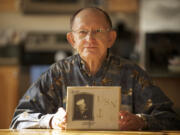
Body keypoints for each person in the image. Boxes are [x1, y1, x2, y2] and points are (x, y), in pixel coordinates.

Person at [10, 7, 180, 130]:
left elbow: (171, 118)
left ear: (111, 38)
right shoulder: (56, 74)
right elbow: (19, 119)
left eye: (98, 31)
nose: (90, 39)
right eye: (82, 32)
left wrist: (141, 121)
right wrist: (51, 120)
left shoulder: (133, 74)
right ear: (72, 40)